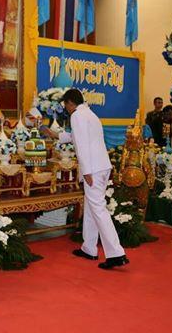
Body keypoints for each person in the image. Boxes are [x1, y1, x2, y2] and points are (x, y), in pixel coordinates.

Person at [42, 89, 129, 269]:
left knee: (98, 209)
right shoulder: (90, 114)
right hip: (101, 166)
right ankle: (89, 248)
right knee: (91, 207)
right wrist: (54, 134)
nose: (66, 108)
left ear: (70, 102)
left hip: (93, 169)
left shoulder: (77, 116)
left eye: (66, 105)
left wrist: (86, 172)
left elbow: (81, 145)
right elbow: (76, 137)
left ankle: (116, 253)